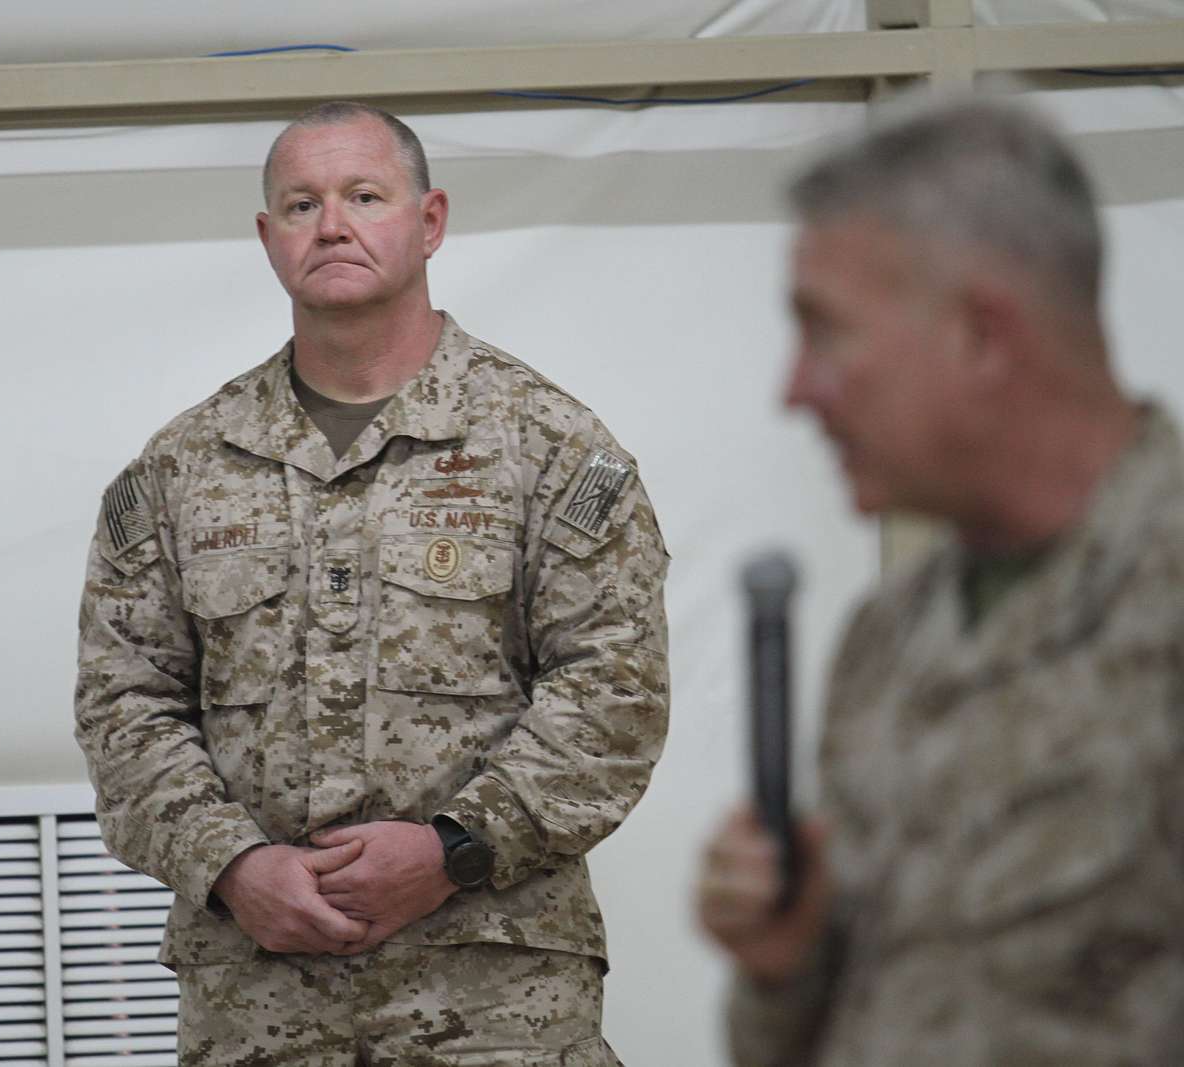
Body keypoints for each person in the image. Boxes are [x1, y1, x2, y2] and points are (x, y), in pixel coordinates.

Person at [74, 100, 669, 1065]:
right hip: (258, 1001)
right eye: (302, 205)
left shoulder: (547, 444)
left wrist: (454, 848)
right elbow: (124, 706)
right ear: (270, 239)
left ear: (429, 221)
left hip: (492, 999)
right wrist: (232, 866)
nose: (333, 225)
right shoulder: (185, 467)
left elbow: (614, 694)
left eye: (364, 196)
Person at [695, 96, 1184, 1065]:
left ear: (980, 336)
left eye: (825, 332)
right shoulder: (888, 637)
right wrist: (777, 964)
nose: (793, 390)